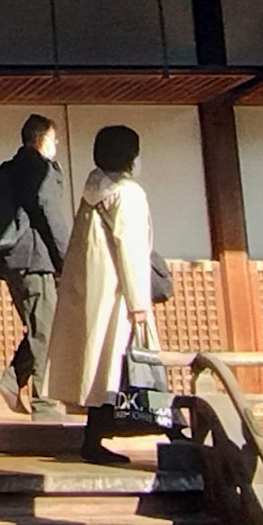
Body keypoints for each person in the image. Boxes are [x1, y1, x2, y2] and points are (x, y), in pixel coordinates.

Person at [60, 123, 160, 428]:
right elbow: (129, 247)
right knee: (123, 365)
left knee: (100, 364)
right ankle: (163, 427)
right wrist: (139, 302)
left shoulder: (93, 190)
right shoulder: (127, 194)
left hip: (93, 289)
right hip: (119, 291)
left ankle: (96, 435)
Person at [0, 115, 73, 415]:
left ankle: (13, 378)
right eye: (54, 140)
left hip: (13, 259)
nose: (56, 145)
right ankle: (44, 402)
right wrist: (67, 260)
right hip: (35, 259)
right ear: (42, 139)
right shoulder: (40, 169)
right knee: (46, 330)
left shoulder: (12, 168)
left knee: (42, 325)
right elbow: (50, 215)